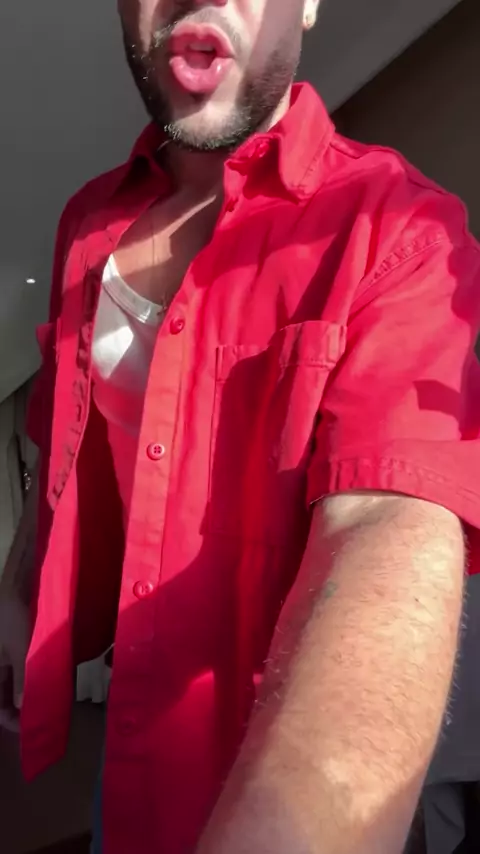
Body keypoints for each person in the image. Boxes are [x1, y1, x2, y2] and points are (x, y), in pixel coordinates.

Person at [0, 0, 479, 852]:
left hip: (278, 767)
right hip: (128, 749)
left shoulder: (403, 228)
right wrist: (17, 591)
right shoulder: (87, 221)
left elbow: (387, 516)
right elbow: (58, 438)